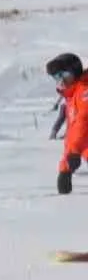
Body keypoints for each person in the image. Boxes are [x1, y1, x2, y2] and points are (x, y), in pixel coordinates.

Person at [49, 53, 88, 195]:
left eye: (64, 74)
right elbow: (72, 133)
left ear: (75, 72)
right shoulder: (72, 95)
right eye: (57, 77)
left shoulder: (84, 91)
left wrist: (74, 152)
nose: (61, 80)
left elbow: (82, 124)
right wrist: (64, 168)